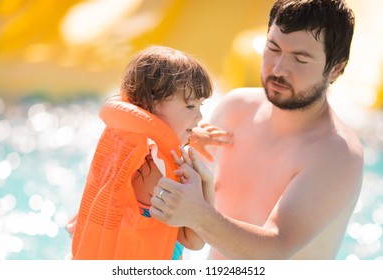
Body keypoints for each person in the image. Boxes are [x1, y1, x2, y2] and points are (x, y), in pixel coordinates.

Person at [150, 0, 364, 259]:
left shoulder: (336, 155)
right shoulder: (235, 109)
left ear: (336, 69)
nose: (278, 69)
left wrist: (198, 215)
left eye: (300, 58)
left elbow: (275, 250)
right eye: (273, 48)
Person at [69, 45, 216, 260]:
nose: (200, 116)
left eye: (201, 106)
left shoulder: (125, 146)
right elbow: (194, 239)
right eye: (191, 106)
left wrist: (191, 136)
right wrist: (207, 182)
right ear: (152, 104)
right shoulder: (161, 172)